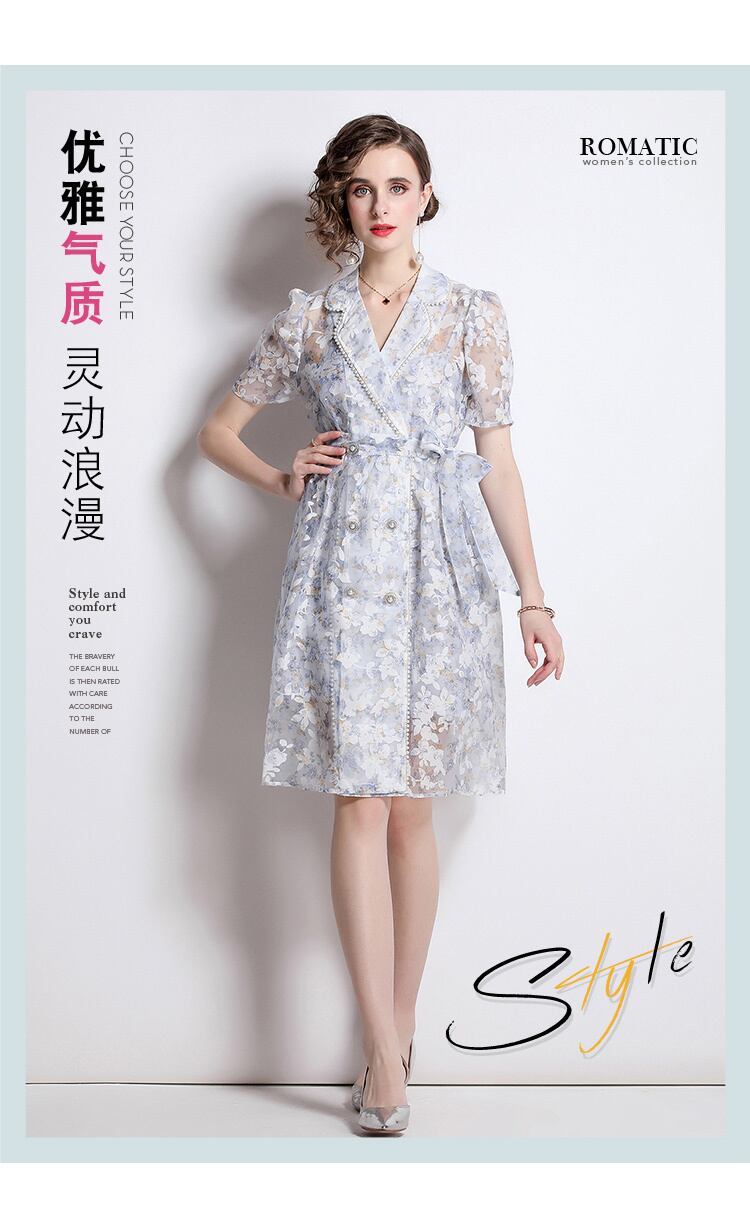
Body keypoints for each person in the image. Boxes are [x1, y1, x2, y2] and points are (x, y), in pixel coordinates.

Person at [197, 114, 564, 1135]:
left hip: (441, 575)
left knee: (411, 806)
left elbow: (499, 464)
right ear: (343, 202)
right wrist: (280, 476)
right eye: (363, 188)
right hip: (343, 573)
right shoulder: (312, 322)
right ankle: (378, 1050)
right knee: (358, 800)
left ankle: (396, 1032)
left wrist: (534, 597)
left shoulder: (474, 314)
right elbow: (215, 433)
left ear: (427, 194)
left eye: (399, 184)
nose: (382, 204)